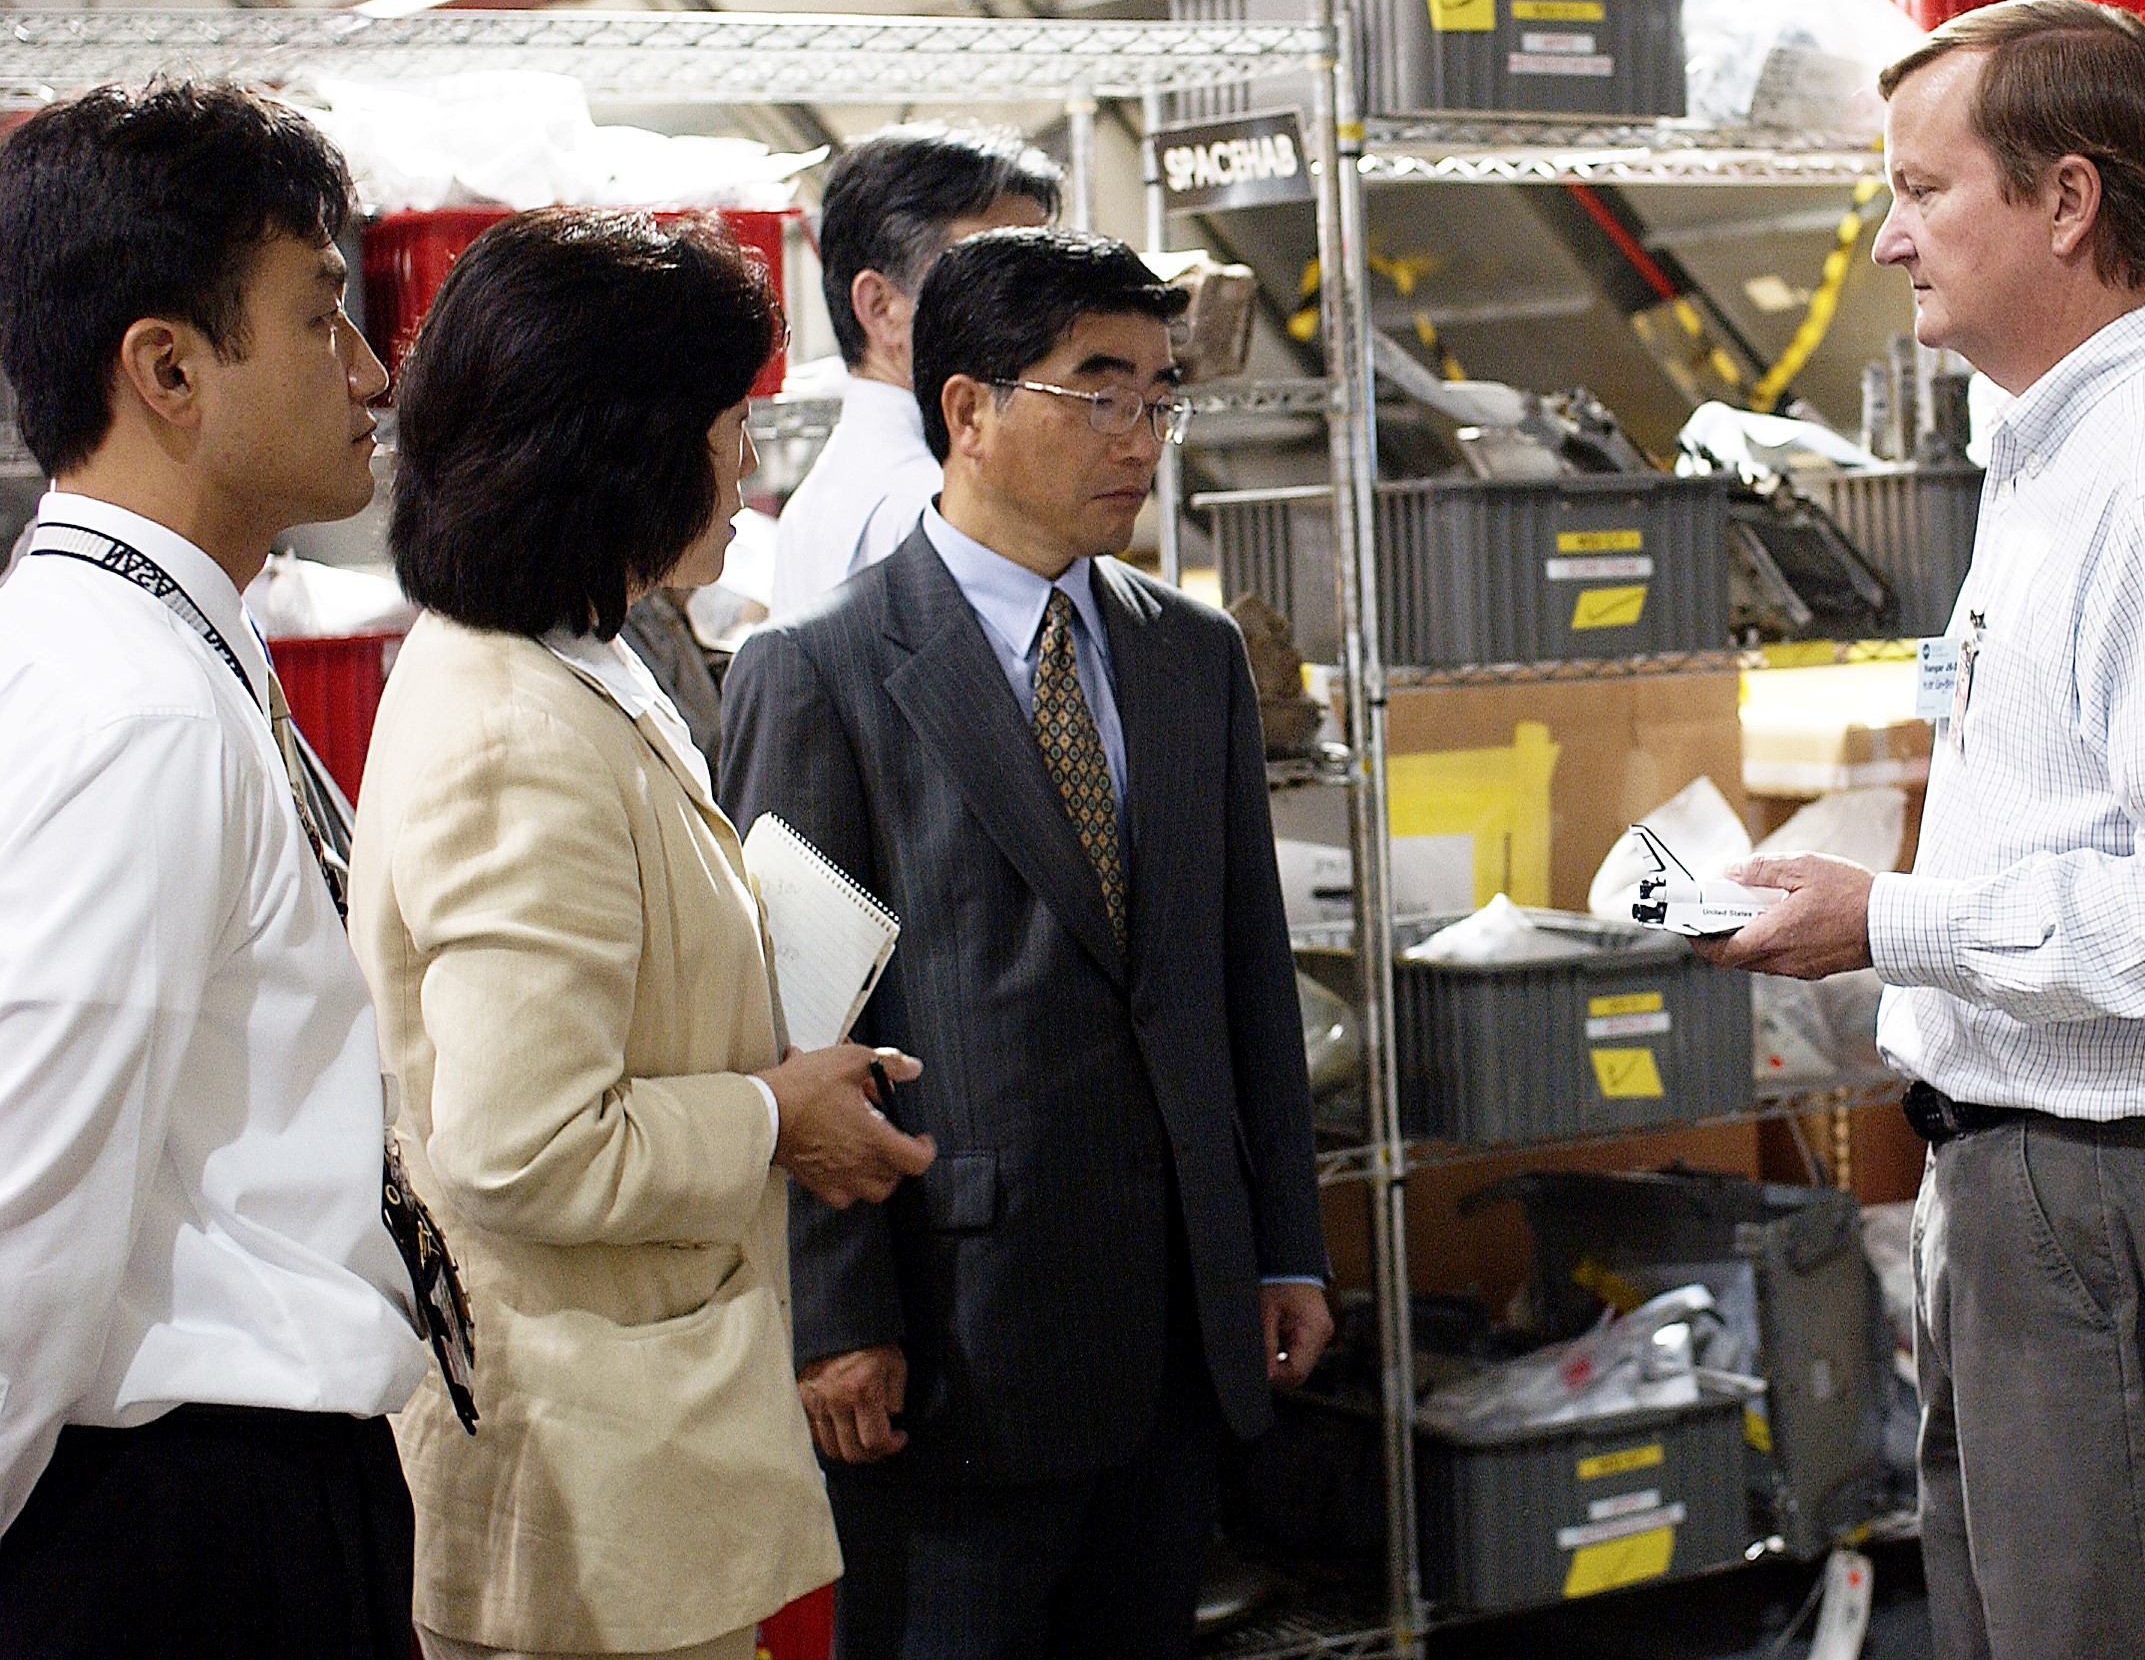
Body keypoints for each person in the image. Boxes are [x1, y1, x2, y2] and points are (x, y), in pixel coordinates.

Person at [1702, 0, 2145, 1660]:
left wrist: (1892, 919)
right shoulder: (2061, 459)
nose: (1890, 243)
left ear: (2069, 203)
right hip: (2034, 1188)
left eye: (1925, 193)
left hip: (2111, 1192)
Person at [721, 227, 1333, 1660]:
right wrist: (834, 1313)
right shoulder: (817, 671)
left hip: (1178, 1322)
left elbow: (1247, 971)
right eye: (1098, 389)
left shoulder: (1192, 656)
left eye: (1162, 394)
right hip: (955, 1332)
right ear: (970, 408)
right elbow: (796, 1024)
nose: (1142, 435)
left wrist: (1280, 1244)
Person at [354, 209, 936, 1660]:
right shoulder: (512, 728)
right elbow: (521, 1144)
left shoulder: (573, 651)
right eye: (729, 425)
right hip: (580, 1484)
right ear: (622, 445)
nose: (747, 468)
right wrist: (771, 1115)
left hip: (636, 1454)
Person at [0, 82, 436, 1656]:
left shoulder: (163, 639)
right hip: (174, 1521)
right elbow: (25, 1206)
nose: (372, 372)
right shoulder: (137, 707)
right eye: (322, 317)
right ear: (168, 367)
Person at [768, 125, 1060, 619]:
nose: (1043, 312)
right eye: (998, 281)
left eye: (1044, 279)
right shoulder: (938, 510)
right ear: (880, 307)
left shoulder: (820, 500)